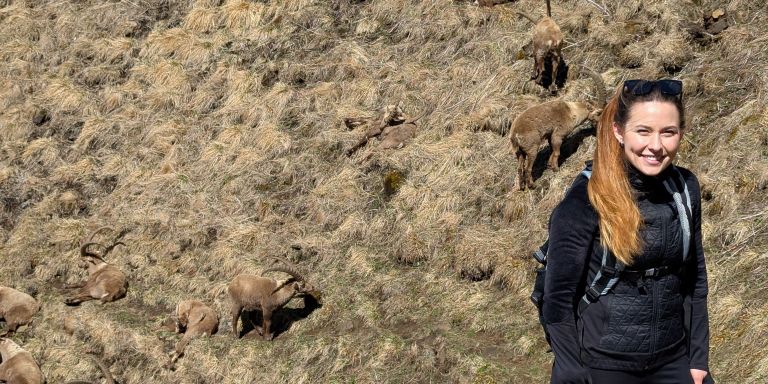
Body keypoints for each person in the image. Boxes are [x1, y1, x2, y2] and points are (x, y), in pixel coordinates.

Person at [542, 79, 713, 384]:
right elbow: (557, 299)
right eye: (643, 131)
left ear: (681, 133)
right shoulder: (585, 200)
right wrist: (571, 370)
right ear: (618, 131)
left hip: (673, 360)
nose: (656, 146)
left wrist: (698, 359)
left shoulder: (685, 189)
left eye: (668, 132)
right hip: (600, 366)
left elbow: (695, 281)